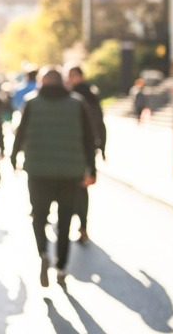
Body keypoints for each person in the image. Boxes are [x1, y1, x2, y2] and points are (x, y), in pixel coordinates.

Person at [10, 66, 97, 288]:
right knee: (65, 220)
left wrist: (14, 157)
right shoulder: (77, 103)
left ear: (42, 82)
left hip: (38, 172)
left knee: (39, 215)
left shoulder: (31, 102)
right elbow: (89, 138)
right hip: (71, 172)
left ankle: (42, 253)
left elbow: (21, 133)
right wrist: (91, 168)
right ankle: (61, 266)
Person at [65, 64, 106, 244]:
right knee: (79, 189)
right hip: (82, 147)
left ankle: (81, 225)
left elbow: (98, 122)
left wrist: (102, 146)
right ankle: (81, 224)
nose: (70, 79)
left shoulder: (78, 97)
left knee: (78, 188)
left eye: (72, 76)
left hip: (79, 148)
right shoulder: (84, 94)